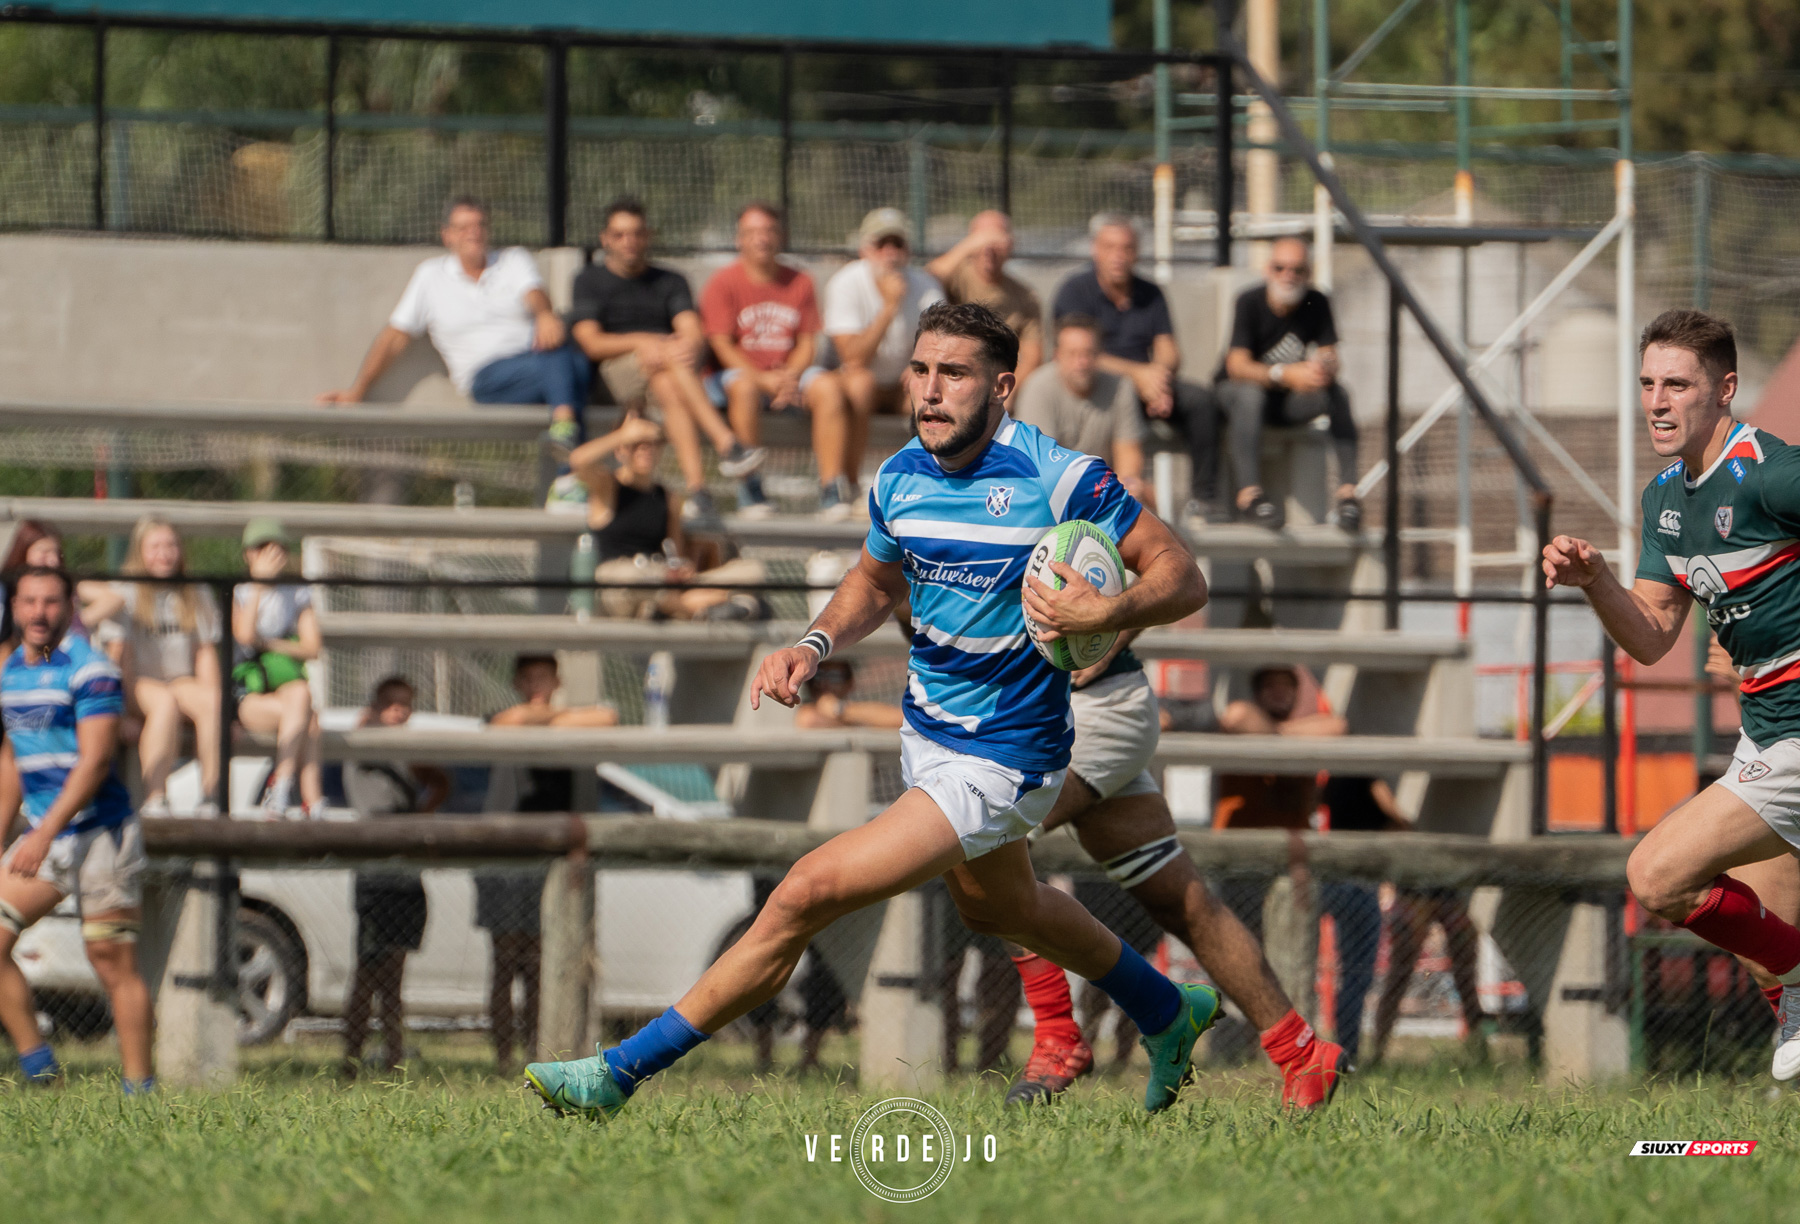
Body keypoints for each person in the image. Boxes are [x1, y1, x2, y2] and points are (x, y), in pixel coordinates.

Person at [524, 302, 1218, 1121]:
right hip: (927, 736)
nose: (929, 390)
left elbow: (1184, 574)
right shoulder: (898, 477)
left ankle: (619, 1073)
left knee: (806, 891)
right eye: (920, 370)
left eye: (952, 373)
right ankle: (1172, 1011)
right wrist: (813, 644)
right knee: (1005, 906)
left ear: (1003, 386)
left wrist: (1107, 613)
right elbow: (878, 582)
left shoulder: (1058, 477)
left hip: (1007, 758)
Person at [1542, 307, 1800, 1082]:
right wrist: (1596, 580)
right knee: (1773, 951)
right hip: (1765, 733)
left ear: (1724, 390)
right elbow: (1654, 634)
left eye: (1677, 384)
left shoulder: (1774, 474)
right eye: (1649, 382)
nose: (1657, 400)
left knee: (1657, 876)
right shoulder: (1665, 501)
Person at [0, 567, 153, 1092]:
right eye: (28, 601)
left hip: (100, 836)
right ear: (14, 606)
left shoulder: (92, 670)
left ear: (69, 607)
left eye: (49, 602)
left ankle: (140, 1093)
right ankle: (41, 1072)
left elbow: (93, 763)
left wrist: (42, 835)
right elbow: (11, 767)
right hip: (47, 834)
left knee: (112, 962)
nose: (38, 612)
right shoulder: (9, 673)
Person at [319, 197, 589, 453]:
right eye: (463, 228)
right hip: (487, 378)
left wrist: (544, 315)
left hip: (537, 363)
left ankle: (566, 461)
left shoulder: (513, 259)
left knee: (574, 367)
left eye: (479, 225)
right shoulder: (431, 276)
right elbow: (395, 337)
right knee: (568, 367)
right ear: (446, 235)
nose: (473, 233)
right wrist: (357, 391)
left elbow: (534, 294)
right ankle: (570, 459)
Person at [570, 199, 762, 526]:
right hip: (614, 375)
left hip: (666, 373)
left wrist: (681, 345)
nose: (628, 241)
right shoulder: (588, 281)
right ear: (605, 239)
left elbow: (692, 332)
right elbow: (591, 343)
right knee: (668, 361)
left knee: (668, 381)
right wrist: (645, 342)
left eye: (636, 233)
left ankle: (698, 490)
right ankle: (727, 443)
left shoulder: (671, 280)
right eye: (619, 235)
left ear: (648, 236)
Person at [1052, 214, 1221, 523]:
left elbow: (1169, 350)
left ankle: (1205, 498)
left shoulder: (1150, 293)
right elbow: (1079, 356)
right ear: (1095, 250)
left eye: (1127, 248)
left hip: (1146, 386)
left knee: (1202, 401)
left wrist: (1157, 379)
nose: (1119, 256)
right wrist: (1139, 375)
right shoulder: (1074, 291)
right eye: (1111, 247)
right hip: (1100, 386)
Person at [701, 202, 853, 519]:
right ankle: (751, 489)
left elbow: (807, 342)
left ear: (780, 236)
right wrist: (762, 380)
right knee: (742, 387)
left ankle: (831, 488)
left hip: (789, 376)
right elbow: (722, 346)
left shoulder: (800, 280)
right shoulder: (722, 282)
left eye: (768, 230)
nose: (761, 239)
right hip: (737, 376)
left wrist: (788, 377)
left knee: (828, 386)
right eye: (752, 232)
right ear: (738, 239)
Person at [340, 676, 450, 1076]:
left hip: (405, 874)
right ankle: (350, 1060)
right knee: (367, 973)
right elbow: (361, 727)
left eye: (406, 704)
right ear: (375, 706)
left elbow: (439, 780)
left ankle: (393, 1059)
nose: (399, 711)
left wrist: (422, 813)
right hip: (375, 872)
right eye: (391, 704)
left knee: (393, 978)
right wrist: (371, 719)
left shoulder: (406, 751)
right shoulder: (365, 741)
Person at [1216, 236, 1360, 530]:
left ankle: (1348, 495)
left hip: (1283, 402)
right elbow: (1236, 366)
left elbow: (1331, 354)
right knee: (1250, 395)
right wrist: (1285, 373)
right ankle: (1250, 496)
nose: (1288, 276)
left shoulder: (1316, 301)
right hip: (1235, 396)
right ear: (1268, 269)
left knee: (1338, 393)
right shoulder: (1249, 301)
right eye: (1280, 268)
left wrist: (1323, 369)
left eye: (1297, 270)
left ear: (1308, 274)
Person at [82, 518, 221, 818]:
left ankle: (212, 795)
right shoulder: (127, 592)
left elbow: (205, 655)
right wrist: (120, 714)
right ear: (140, 551)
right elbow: (119, 657)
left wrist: (223, 711)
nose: (164, 553)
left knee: (212, 701)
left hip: (181, 679)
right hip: (140, 683)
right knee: (164, 702)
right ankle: (157, 799)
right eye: (155, 546)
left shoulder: (195, 591)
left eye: (171, 545)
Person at [567, 417, 769, 622]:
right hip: (621, 582)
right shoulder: (607, 485)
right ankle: (710, 606)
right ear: (620, 451)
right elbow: (577, 461)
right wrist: (623, 435)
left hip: (660, 580)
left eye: (651, 444)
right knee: (634, 579)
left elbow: (676, 553)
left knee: (753, 571)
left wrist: (682, 570)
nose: (645, 450)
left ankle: (681, 607)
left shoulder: (668, 496)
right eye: (636, 444)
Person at [823, 208, 945, 488]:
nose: (890, 253)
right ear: (865, 249)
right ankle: (847, 485)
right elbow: (852, 357)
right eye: (882, 244)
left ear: (908, 250)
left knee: (935, 393)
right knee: (860, 383)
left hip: (904, 386)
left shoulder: (927, 286)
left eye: (898, 244)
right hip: (860, 383)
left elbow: (941, 346)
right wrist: (889, 306)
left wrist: (919, 367)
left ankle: (926, 488)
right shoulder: (846, 283)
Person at [231, 518, 324, 818]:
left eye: (276, 547)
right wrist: (259, 585)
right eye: (261, 548)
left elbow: (312, 647)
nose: (270, 554)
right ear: (248, 554)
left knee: (300, 694)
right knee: (309, 721)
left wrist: (269, 643)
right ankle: (310, 799)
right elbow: (244, 635)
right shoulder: (237, 591)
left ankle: (283, 786)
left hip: (284, 691)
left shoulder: (296, 592)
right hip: (248, 694)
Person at [1318, 775, 1408, 1066]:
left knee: (1304, 969)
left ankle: (1306, 1051)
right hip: (1359, 879)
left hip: (1329, 873)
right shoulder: (1370, 777)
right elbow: (1397, 818)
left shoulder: (1332, 778)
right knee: (1357, 974)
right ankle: (1346, 1053)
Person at [1012, 315, 1149, 503]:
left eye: (1088, 353)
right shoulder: (1038, 388)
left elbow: (1128, 450)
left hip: (1106, 490)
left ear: (1100, 354)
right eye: (1072, 354)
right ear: (1057, 355)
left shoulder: (1120, 387)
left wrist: (1127, 484)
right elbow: (1040, 463)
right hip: (1051, 493)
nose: (1081, 362)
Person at [926, 210, 1044, 385]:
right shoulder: (955, 278)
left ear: (1010, 244)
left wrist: (1008, 388)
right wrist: (969, 245)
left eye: (996, 240)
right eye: (982, 239)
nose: (989, 249)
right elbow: (926, 279)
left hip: (999, 379)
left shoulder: (1025, 296)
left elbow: (1033, 354)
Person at [490, 654, 618, 730]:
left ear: (557, 682)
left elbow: (607, 718)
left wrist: (541, 718)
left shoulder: (562, 716)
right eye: (526, 677)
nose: (534, 684)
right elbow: (515, 719)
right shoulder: (502, 716)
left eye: (542, 677)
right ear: (515, 683)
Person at [793, 659, 903, 730]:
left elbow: (901, 720)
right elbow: (808, 719)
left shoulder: (857, 705)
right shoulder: (808, 710)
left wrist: (840, 709)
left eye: (834, 676)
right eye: (818, 675)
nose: (824, 683)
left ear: (850, 682)